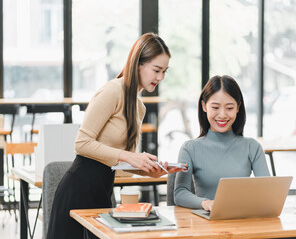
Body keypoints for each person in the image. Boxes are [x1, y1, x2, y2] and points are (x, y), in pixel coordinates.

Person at [47, 32, 181, 239]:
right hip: (78, 189)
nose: (160, 77)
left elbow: (118, 163)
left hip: (103, 192)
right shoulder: (112, 91)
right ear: (138, 64)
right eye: (156, 70)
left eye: (165, 71)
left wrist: (150, 171)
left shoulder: (139, 107)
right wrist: (130, 156)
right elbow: (82, 144)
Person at [174, 75, 270, 211]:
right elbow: (180, 193)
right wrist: (205, 203)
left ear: (238, 108)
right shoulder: (190, 149)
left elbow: (268, 190)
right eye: (215, 107)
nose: (223, 115)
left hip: (243, 221)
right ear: (204, 106)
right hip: (206, 222)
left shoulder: (252, 147)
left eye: (229, 108)